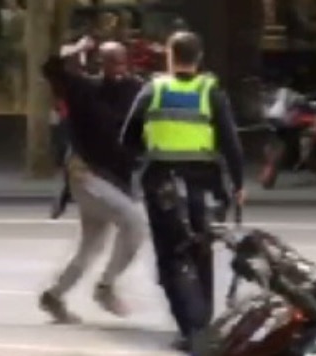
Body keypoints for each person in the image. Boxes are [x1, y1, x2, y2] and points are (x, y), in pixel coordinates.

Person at [120, 31, 245, 351]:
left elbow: (127, 139)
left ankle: (190, 329)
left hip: (162, 186)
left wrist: (148, 151)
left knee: (171, 258)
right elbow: (231, 143)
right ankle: (203, 324)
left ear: (169, 56)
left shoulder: (154, 89)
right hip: (203, 185)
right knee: (201, 252)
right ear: (199, 57)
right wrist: (239, 184)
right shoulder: (211, 92)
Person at [39, 38, 147, 322]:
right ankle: (106, 287)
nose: (117, 68)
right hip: (86, 175)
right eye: (111, 62)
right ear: (100, 64)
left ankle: (54, 296)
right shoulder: (84, 88)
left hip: (115, 179)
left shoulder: (135, 90)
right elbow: (50, 69)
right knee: (134, 222)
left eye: (121, 62)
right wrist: (74, 49)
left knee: (91, 247)